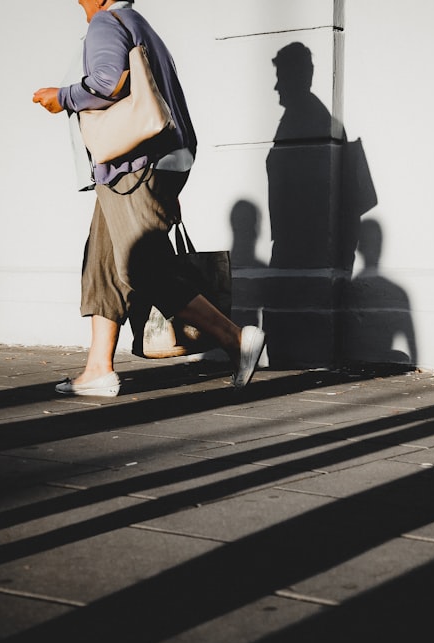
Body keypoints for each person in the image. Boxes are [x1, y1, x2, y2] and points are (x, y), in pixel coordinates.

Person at [33, 0, 265, 396]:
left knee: (143, 268)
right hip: (149, 165)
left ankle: (235, 338)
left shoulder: (106, 23)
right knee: (102, 265)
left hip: (132, 167)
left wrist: (62, 96)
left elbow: (106, 83)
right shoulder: (139, 24)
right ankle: (97, 371)